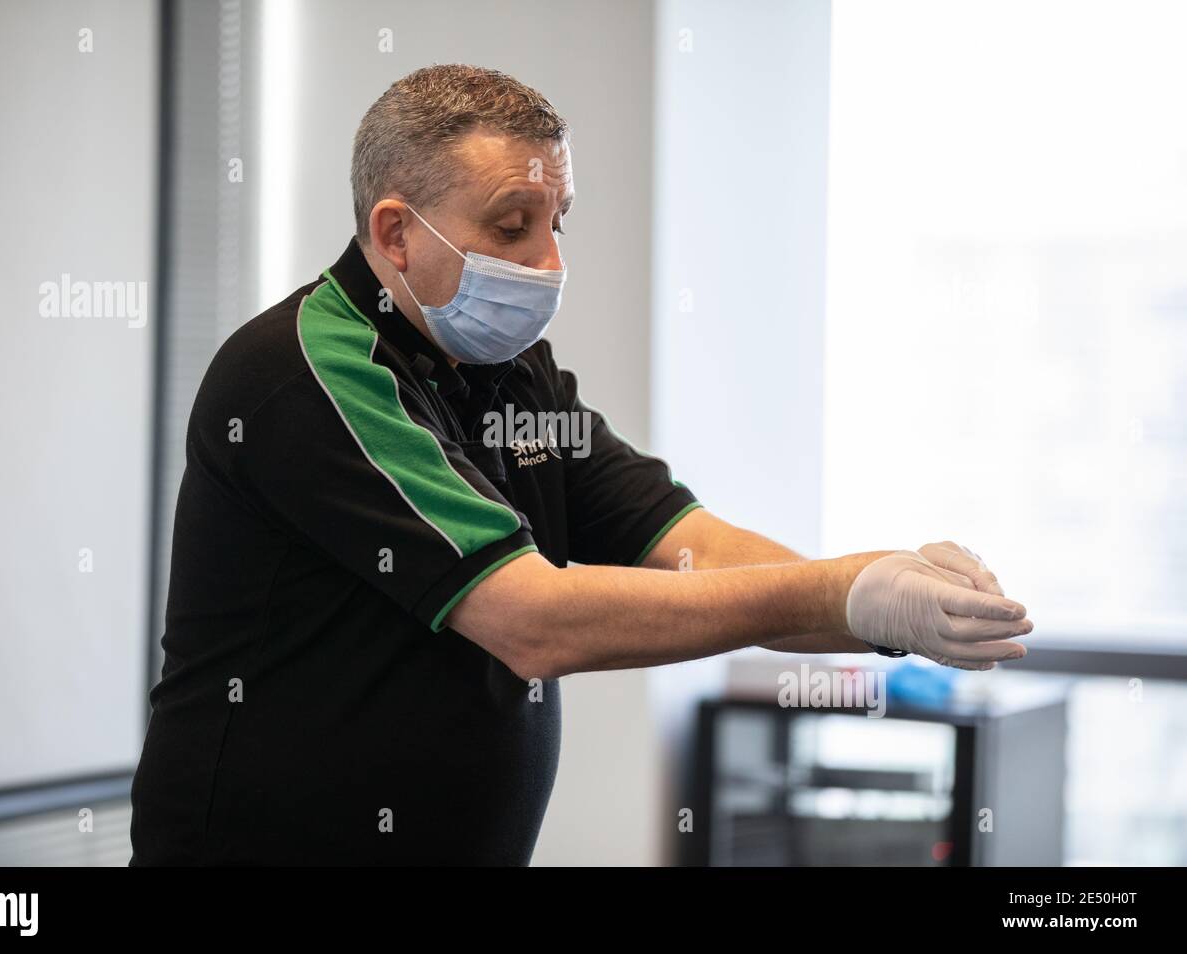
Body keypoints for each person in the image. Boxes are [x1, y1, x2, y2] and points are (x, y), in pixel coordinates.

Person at [129, 63, 1032, 866]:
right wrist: (843, 594)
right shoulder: (306, 374)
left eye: (558, 222)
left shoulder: (508, 373)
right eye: (513, 225)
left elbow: (692, 548)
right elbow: (533, 621)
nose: (551, 262)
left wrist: (886, 599)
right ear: (396, 234)